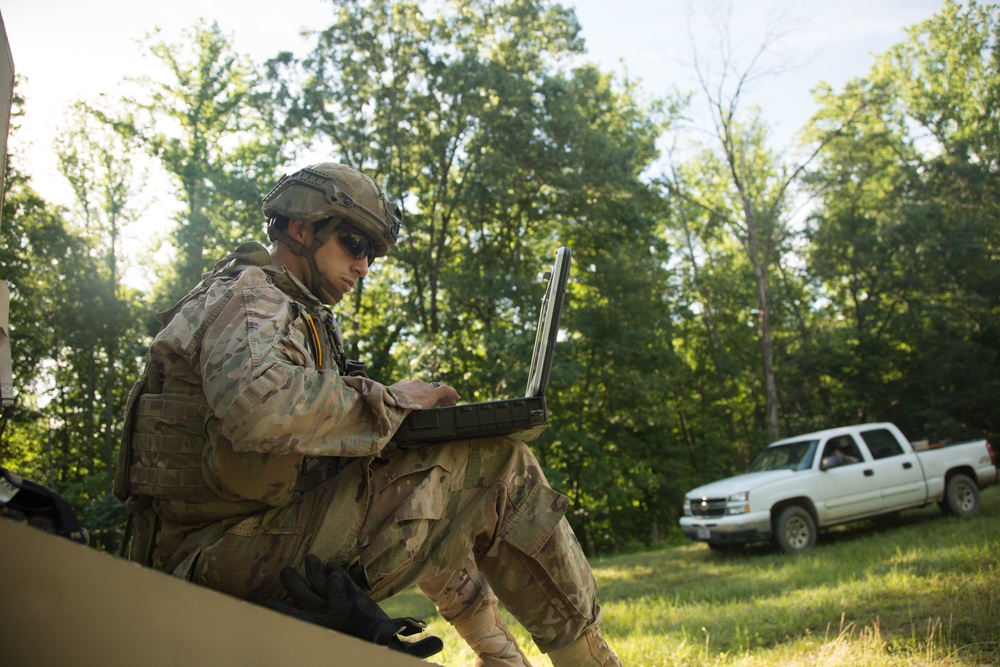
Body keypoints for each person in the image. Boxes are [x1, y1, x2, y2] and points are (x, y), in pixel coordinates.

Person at [113, 162, 620, 667]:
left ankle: (505, 660)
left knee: (448, 487)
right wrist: (392, 402)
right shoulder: (253, 296)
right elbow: (257, 408)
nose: (363, 266)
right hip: (211, 561)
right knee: (501, 467)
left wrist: (407, 429)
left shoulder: (290, 309)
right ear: (301, 227)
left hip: (241, 545)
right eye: (355, 245)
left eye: (372, 254)